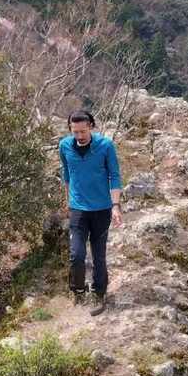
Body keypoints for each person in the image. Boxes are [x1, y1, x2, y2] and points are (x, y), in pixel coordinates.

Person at [57, 107, 122, 314]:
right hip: (78, 209)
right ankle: (78, 290)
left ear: (91, 127)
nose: (79, 136)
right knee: (76, 254)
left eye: (83, 131)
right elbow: (67, 174)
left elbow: (115, 176)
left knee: (98, 255)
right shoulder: (64, 146)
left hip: (102, 209)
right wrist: (68, 201)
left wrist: (116, 205)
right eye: (75, 131)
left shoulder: (105, 145)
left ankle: (99, 293)